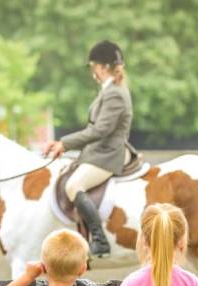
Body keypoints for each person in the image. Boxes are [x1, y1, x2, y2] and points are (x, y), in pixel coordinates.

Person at [44, 40, 133, 258]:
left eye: (94, 66)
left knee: (74, 185)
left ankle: (100, 240)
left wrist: (65, 143)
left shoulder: (114, 93)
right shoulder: (109, 90)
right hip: (100, 150)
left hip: (109, 152)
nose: (93, 71)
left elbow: (100, 130)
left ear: (102, 67)